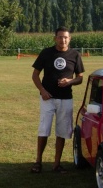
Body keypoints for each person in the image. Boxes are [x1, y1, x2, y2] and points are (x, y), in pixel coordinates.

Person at [31, 26, 84, 173]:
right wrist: (42, 91)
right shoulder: (46, 53)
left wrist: (69, 81)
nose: (63, 40)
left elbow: (80, 78)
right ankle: (38, 162)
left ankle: (56, 164)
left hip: (66, 99)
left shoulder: (75, 55)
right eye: (60, 37)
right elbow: (35, 75)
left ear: (70, 38)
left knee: (62, 132)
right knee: (44, 130)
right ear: (55, 38)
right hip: (48, 98)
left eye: (66, 37)